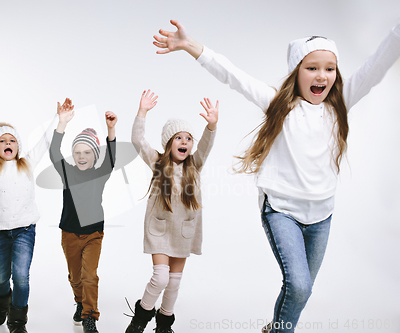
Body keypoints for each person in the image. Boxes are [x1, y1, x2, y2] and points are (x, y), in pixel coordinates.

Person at [153, 20, 400, 333]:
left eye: (329, 69)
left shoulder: (339, 106)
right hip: (281, 210)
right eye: (312, 68)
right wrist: (191, 47)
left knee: (303, 289)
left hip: (321, 215)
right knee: (298, 286)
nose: (322, 76)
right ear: (296, 71)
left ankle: (276, 328)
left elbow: (376, 66)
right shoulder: (279, 105)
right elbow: (233, 76)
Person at [0, 91, 59, 333]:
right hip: (0, 233)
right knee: (2, 277)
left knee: (21, 277)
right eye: (3, 141)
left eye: (12, 140)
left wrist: (60, 119)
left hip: (25, 230)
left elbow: (45, 143)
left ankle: (17, 321)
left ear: (18, 146)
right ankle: (2, 304)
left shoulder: (27, 164)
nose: (8, 144)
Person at [125, 90, 218, 333]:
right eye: (179, 138)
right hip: (160, 231)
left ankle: (164, 324)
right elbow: (138, 141)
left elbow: (206, 145)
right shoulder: (158, 162)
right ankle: (140, 317)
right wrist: (142, 112)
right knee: (161, 278)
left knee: (174, 284)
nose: (185, 142)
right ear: (168, 143)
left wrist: (211, 126)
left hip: (183, 232)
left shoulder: (195, 166)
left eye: (188, 138)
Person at [49, 99, 117, 333]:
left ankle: (90, 316)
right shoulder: (67, 173)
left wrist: (111, 130)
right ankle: (80, 302)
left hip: (93, 234)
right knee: (76, 277)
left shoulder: (100, 174)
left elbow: (111, 158)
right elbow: (53, 152)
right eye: (77, 152)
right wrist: (62, 123)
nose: (81, 156)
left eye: (87, 152)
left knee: (90, 276)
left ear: (94, 154)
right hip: (69, 232)